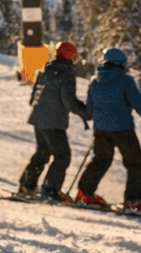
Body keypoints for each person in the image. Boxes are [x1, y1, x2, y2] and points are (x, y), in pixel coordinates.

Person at [74, 47, 141, 213]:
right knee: (135, 164)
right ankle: (134, 201)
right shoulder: (125, 80)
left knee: (101, 160)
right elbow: (138, 103)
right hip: (123, 129)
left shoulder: (94, 81)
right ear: (121, 64)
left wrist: (88, 118)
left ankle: (84, 193)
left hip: (100, 129)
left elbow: (89, 110)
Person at [17, 41, 89, 200]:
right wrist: (85, 112)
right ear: (70, 55)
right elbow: (69, 101)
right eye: (74, 55)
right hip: (53, 121)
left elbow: (34, 95)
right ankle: (50, 190)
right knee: (62, 156)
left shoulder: (45, 69)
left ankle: (27, 185)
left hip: (37, 117)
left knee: (42, 152)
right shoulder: (66, 73)